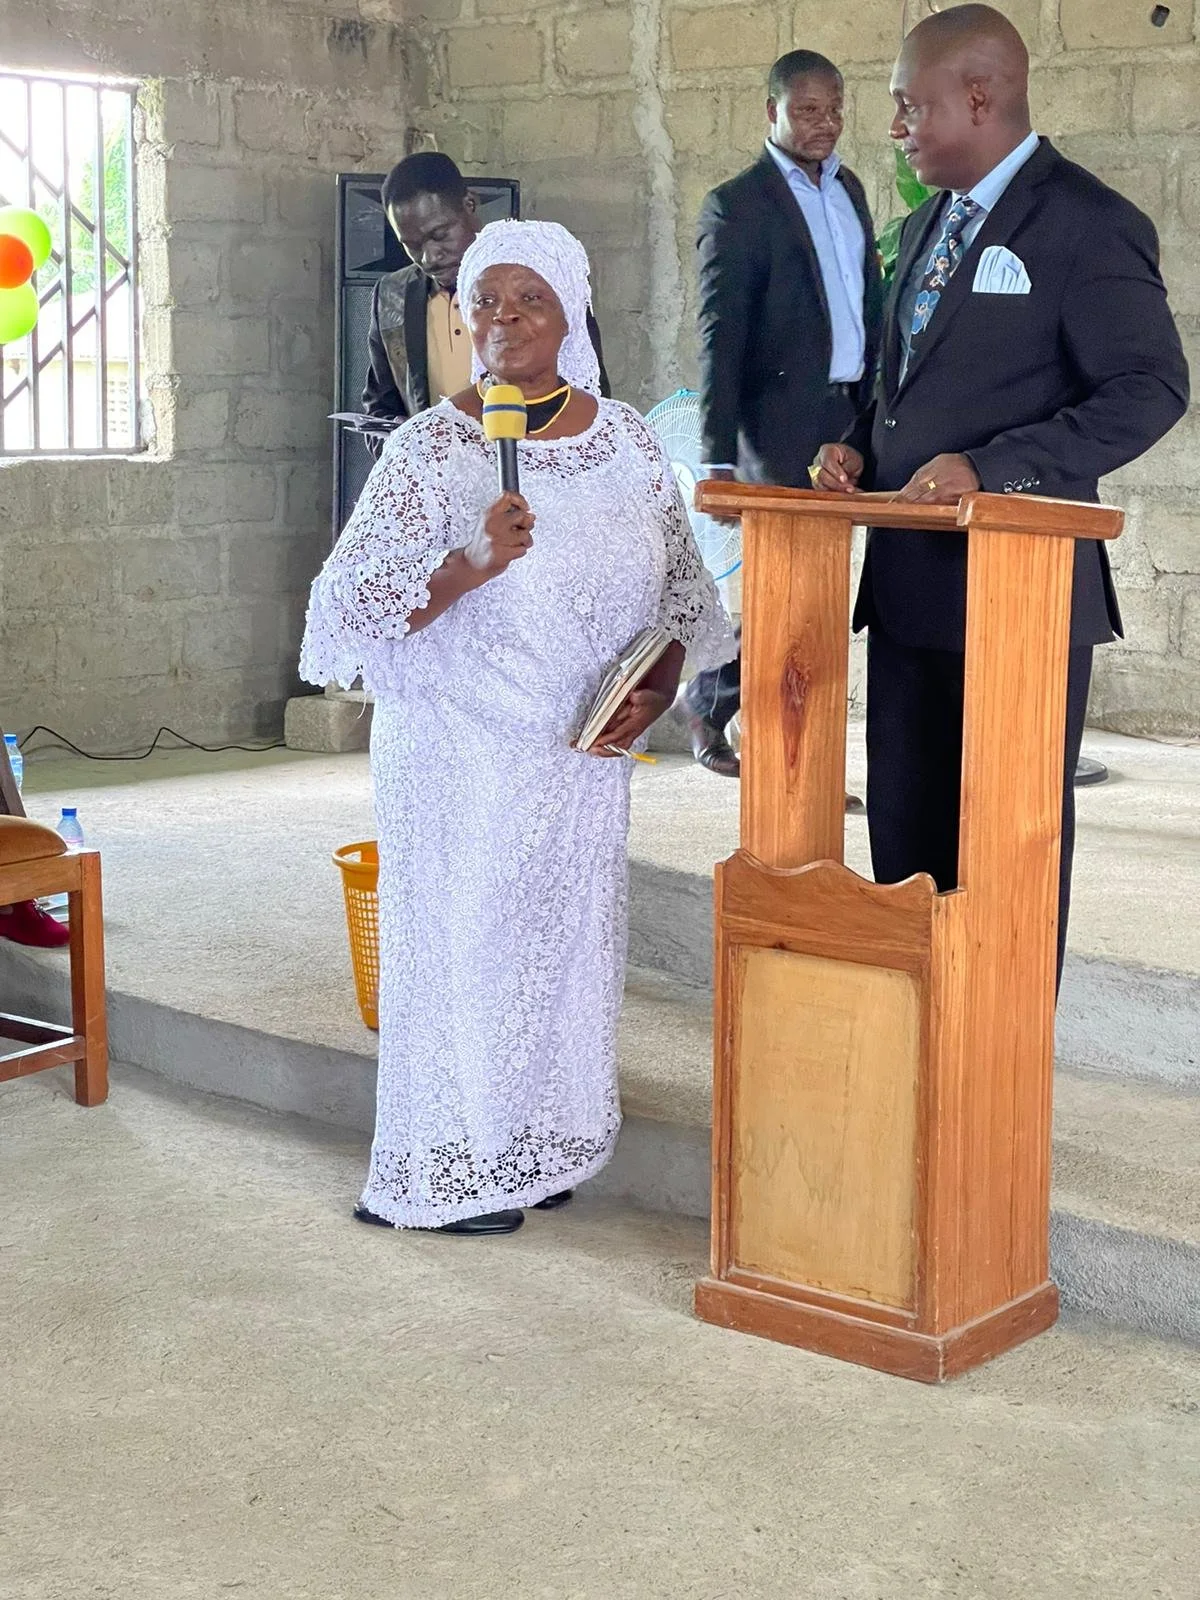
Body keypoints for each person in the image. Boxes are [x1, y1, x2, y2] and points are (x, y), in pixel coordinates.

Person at [301, 220, 733, 1235]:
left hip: (579, 757)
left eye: (527, 299)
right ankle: (445, 1168)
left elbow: (681, 591)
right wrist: (468, 564)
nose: (502, 321)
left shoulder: (624, 438)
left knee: (564, 950)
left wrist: (659, 682)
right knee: (466, 948)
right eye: (483, 302)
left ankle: (537, 1143)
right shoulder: (431, 449)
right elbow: (344, 609)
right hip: (463, 747)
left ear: (571, 311)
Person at [814, 3, 1189, 979]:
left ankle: (1001, 1088)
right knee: (907, 852)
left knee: (1004, 861)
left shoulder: (1086, 225)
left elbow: (1152, 388)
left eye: (909, 107)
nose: (894, 128)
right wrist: (857, 446)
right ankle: (920, 1061)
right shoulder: (929, 225)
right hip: (907, 597)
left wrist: (995, 467)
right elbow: (909, 382)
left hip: (1017, 601)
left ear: (979, 96)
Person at [683, 49, 883, 779]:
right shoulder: (737, 204)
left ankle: (770, 740)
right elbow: (720, 334)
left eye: (835, 108)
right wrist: (717, 459)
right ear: (770, 113)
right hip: (775, 423)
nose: (826, 123)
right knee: (787, 599)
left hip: (848, 415)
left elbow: (863, 299)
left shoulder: (851, 189)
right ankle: (754, 738)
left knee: (815, 599)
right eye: (807, 110)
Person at [361, 152, 610, 451]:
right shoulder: (391, 295)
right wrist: (406, 451)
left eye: (440, 235)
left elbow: (589, 390)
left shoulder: (540, 278)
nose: (429, 257)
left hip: (532, 472)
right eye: (411, 245)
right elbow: (379, 408)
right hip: (438, 484)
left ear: (470, 205)